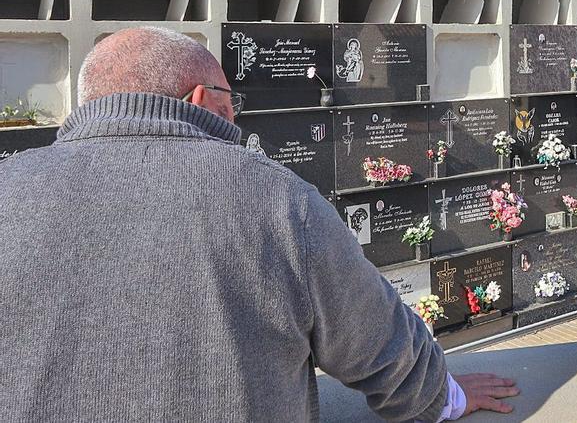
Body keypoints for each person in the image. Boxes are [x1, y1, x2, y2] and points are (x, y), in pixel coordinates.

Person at [0, 27, 517, 421]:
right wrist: (442, 398)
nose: (235, 120)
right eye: (231, 102)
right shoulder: (275, 196)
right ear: (200, 100)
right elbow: (375, 341)